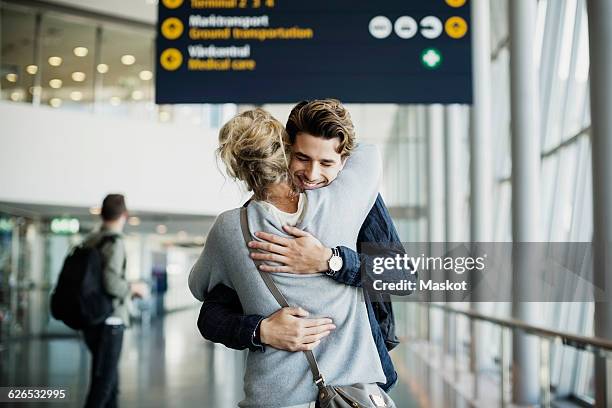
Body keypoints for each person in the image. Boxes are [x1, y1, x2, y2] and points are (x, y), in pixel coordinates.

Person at [196, 99, 415, 392]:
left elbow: (401, 277)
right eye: (302, 158)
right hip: (287, 389)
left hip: (357, 383)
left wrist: (331, 261)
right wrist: (261, 330)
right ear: (286, 152)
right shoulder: (253, 223)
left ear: (345, 162)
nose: (312, 175)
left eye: (326, 163)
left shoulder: (359, 202)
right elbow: (211, 316)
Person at [81, 194, 148, 408]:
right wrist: (134, 288)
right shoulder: (114, 242)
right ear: (125, 215)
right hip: (110, 321)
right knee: (104, 386)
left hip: (92, 318)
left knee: (109, 383)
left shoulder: (91, 239)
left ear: (102, 213)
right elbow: (111, 282)